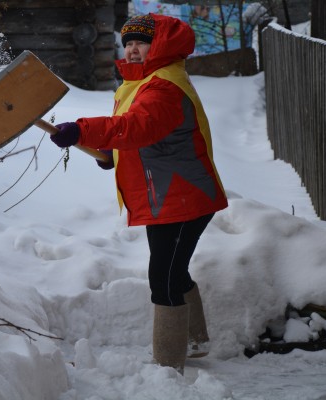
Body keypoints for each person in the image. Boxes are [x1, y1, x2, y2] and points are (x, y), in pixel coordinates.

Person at [49, 13, 228, 371]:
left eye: (141, 43)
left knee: (162, 279)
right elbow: (148, 139)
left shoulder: (164, 86)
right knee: (173, 272)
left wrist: (82, 131)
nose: (131, 49)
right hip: (169, 195)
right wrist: (111, 156)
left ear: (158, 45)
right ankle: (193, 341)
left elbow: (138, 127)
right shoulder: (144, 83)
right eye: (128, 42)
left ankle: (168, 364)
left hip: (183, 198)